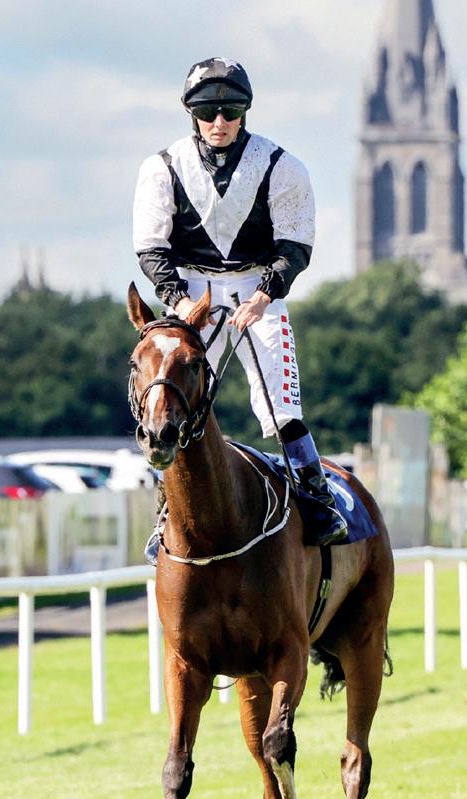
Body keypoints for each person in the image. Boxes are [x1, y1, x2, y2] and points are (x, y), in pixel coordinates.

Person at [132, 56, 347, 563]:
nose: (219, 121)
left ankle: (316, 499)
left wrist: (265, 294)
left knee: (280, 402)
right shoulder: (161, 168)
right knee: (168, 399)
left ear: (244, 112)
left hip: (257, 288)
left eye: (230, 111)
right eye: (207, 112)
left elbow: (295, 244)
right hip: (191, 291)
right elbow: (151, 247)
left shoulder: (282, 166)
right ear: (192, 115)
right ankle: (166, 510)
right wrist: (182, 301)